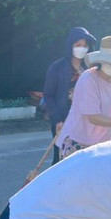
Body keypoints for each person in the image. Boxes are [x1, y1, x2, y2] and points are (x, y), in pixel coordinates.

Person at [55, 37, 111, 159]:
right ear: (101, 62)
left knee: (96, 178)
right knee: (78, 178)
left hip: (101, 144)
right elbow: (94, 117)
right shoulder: (89, 79)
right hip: (77, 141)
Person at [43, 27, 97, 164]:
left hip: (86, 122)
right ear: (70, 45)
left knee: (83, 160)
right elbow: (48, 95)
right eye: (78, 45)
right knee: (60, 159)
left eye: (85, 45)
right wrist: (57, 119)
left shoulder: (91, 69)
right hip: (63, 120)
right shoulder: (57, 68)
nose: (82, 48)